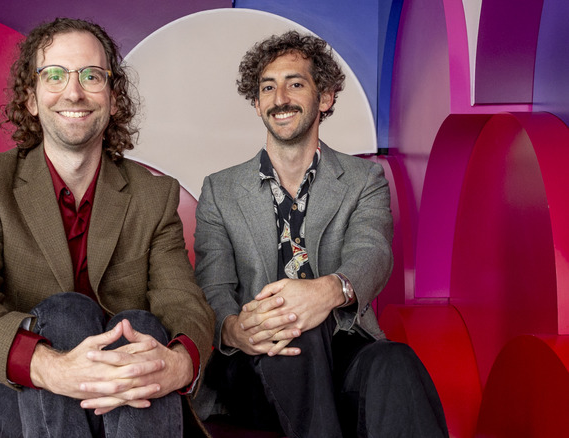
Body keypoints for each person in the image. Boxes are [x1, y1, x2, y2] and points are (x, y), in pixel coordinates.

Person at [0, 18, 214, 438]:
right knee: (66, 313)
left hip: (129, 402)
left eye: (91, 75)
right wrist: (51, 368)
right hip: (19, 398)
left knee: (141, 328)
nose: (74, 91)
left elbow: (183, 302)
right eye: (55, 76)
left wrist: (179, 362)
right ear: (31, 98)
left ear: (114, 97)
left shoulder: (153, 196)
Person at [191, 31, 448, 437]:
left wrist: (327, 291)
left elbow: (372, 253)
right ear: (256, 103)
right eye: (268, 88)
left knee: (394, 361)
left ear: (324, 98)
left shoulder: (364, 180)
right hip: (255, 361)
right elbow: (213, 283)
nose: (280, 98)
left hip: (342, 349)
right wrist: (232, 328)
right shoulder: (220, 190)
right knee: (295, 323)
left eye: (295, 83)